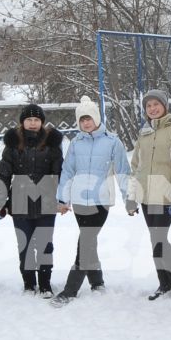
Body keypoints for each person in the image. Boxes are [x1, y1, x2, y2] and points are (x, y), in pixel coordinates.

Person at [53, 96, 130, 304]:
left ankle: (70, 290)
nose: (86, 123)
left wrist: (129, 199)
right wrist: (63, 199)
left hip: (101, 201)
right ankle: (97, 282)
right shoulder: (76, 143)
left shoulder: (113, 141)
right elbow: (67, 171)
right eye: (82, 120)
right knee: (88, 240)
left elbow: (123, 171)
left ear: (96, 118)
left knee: (86, 241)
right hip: (79, 201)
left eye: (89, 118)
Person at [129, 89, 171, 299]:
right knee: (155, 239)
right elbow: (136, 166)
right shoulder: (144, 133)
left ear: (165, 107)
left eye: (156, 104)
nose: (152, 108)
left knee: (159, 238)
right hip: (147, 195)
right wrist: (132, 197)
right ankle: (164, 283)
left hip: (165, 195)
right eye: (148, 105)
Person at [0, 101, 64, 295]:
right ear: (22, 122)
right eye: (29, 119)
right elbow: (4, 175)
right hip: (19, 203)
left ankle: (45, 284)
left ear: (42, 122)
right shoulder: (12, 144)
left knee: (44, 245)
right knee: (24, 246)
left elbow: (59, 174)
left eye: (36, 119)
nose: (33, 123)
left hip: (46, 203)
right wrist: (1, 200)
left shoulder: (52, 144)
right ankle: (28, 283)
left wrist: (60, 199)